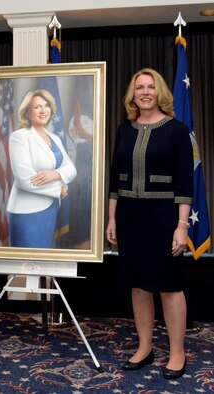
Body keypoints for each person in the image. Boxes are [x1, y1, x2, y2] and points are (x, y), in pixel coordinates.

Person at [106, 68, 193, 379]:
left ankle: (177, 351)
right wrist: (112, 217)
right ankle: (145, 347)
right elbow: (115, 180)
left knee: (169, 285)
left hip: (163, 215)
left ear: (160, 93)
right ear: (133, 94)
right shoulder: (124, 129)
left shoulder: (176, 130)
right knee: (139, 283)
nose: (144, 92)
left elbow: (185, 182)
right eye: (139, 87)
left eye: (150, 87)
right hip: (129, 215)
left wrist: (182, 225)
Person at [7, 89, 77, 248]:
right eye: (37, 107)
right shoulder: (19, 137)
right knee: (25, 265)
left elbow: (71, 169)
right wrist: (58, 189)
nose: (43, 110)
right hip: (26, 211)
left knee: (41, 262)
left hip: (50, 208)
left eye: (46, 106)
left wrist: (55, 174)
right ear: (27, 112)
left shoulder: (55, 138)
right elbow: (24, 180)